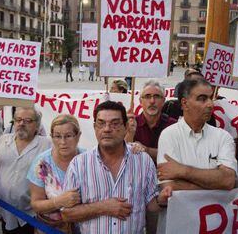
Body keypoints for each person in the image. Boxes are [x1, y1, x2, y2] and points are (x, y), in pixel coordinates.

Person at [61, 101, 172, 234]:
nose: (107, 129)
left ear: (126, 127)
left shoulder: (143, 161)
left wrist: (162, 199)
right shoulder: (79, 165)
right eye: (101, 123)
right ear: (95, 127)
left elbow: (151, 207)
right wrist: (102, 207)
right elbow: (67, 214)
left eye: (114, 123)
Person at [156, 79, 237, 234]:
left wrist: (183, 171)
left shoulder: (223, 137)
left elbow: (228, 181)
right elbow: (170, 187)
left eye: (211, 97)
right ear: (184, 103)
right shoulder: (169, 135)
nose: (210, 104)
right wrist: (215, 183)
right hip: (179, 225)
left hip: (215, 226)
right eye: (202, 98)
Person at [0, 107, 52, 233]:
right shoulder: (3, 141)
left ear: (37, 125)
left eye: (27, 120)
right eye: (18, 120)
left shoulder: (47, 145)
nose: (21, 124)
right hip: (6, 215)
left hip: (33, 218)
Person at [124, 80, 176, 234]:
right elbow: (121, 156)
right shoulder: (131, 123)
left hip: (161, 189)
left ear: (163, 100)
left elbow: (173, 157)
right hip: (134, 186)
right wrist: (129, 134)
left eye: (156, 96)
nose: (152, 101)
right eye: (147, 96)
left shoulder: (173, 126)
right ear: (140, 101)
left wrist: (146, 150)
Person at [27, 114, 84, 234]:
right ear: (51, 137)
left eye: (68, 136)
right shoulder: (42, 164)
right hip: (49, 228)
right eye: (57, 136)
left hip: (83, 227)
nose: (63, 142)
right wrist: (59, 201)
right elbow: (35, 204)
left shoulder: (88, 160)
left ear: (78, 136)